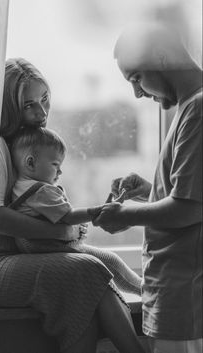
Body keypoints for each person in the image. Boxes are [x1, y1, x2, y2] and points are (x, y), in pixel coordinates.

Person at [0, 58, 146, 353]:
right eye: (28, 104)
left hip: (19, 253)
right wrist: (58, 234)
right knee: (86, 270)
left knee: (100, 264)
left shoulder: (26, 143)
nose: (41, 112)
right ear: (7, 105)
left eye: (44, 99)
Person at [94, 22, 202, 353]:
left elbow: (190, 208)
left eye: (136, 78)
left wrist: (125, 215)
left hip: (187, 299)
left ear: (161, 56)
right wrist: (148, 190)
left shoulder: (198, 109)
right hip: (175, 296)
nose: (137, 93)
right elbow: (185, 193)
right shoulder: (187, 107)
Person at [9, 126, 141, 297]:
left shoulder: (19, 186)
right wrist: (97, 210)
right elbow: (69, 216)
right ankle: (145, 290)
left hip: (31, 245)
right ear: (31, 163)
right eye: (55, 164)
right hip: (47, 244)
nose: (60, 171)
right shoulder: (41, 190)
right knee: (110, 260)